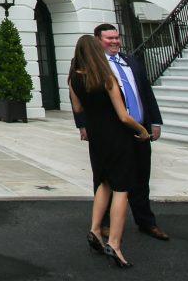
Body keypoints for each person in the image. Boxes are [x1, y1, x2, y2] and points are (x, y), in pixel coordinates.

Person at [75, 23, 168, 242]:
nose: (115, 41)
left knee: (141, 176)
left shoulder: (131, 61)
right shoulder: (93, 66)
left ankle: (146, 222)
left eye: (117, 37)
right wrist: (82, 125)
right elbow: (79, 97)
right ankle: (104, 225)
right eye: (110, 38)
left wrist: (154, 121)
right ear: (98, 40)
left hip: (139, 127)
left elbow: (145, 91)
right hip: (112, 131)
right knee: (106, 178)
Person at [68, 34, 151, 269]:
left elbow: (77, 107)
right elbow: (124, 116)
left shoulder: (74, 79)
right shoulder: (107, 78)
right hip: (117, 136)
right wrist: (141, 130)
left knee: (103, 182)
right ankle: (114, 243)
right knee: (122, 189)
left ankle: (95, 229)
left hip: (96, 138)